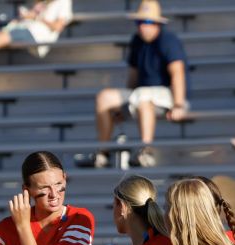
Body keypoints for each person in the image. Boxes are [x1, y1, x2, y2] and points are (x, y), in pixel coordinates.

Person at [79, 1, 188, 170]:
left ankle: (146, 150)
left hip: (165, 93)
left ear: (158, 23)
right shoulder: (137, 40)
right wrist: (123, 105)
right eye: (140, 22)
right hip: (141, 93)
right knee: (104, 97)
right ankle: (103, 153)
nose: (144, 26)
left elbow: (178, 73)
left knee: (143, 98)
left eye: (149, 22)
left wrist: (179, 104)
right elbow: (134, 74)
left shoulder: (168, 40)